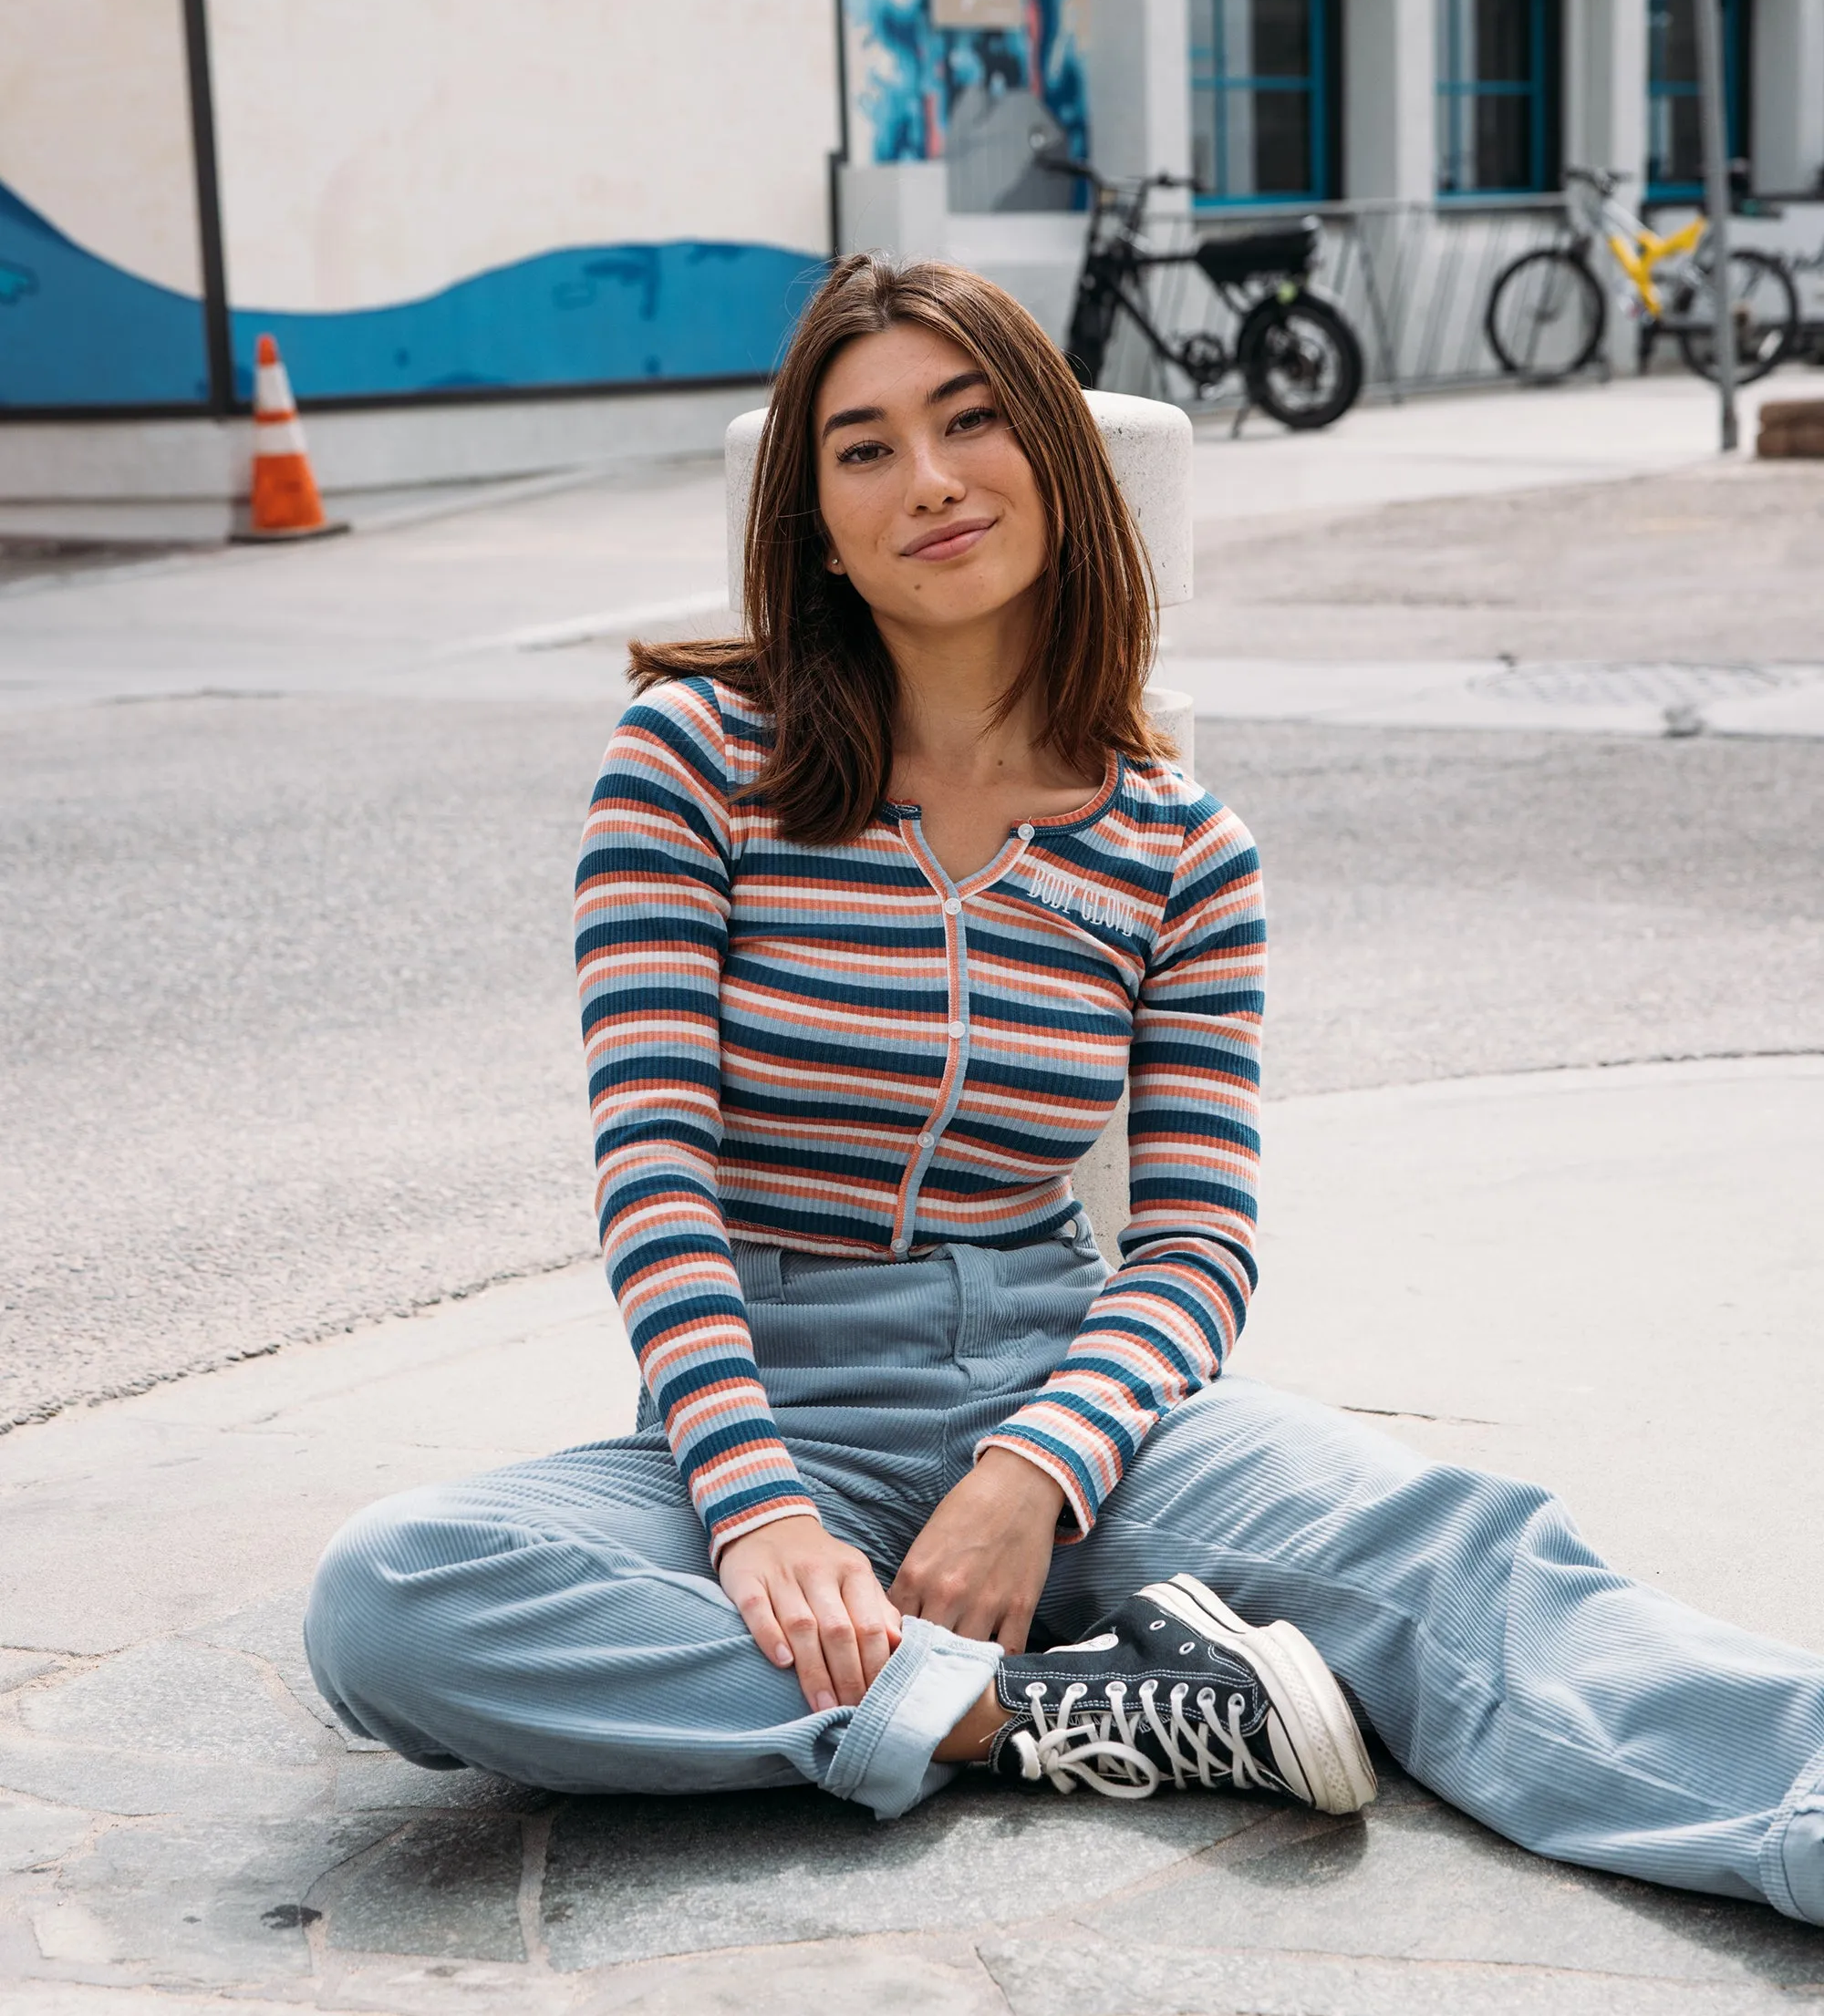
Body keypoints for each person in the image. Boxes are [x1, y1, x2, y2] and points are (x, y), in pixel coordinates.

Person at [306, 256, 1824, 1919]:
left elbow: (1194, 1247)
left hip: (1070, 1385)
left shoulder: (1180, 845)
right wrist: (753, 1511)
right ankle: (1032, 1717)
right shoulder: (691, 761)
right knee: (396, 1599)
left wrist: (1033, 1473)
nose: (930, 480)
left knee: (1462, 1549)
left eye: (969, 423)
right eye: (864, 448)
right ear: (814, 524)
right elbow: (653, 1170)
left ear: (1055, 460)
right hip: (769, 1388)